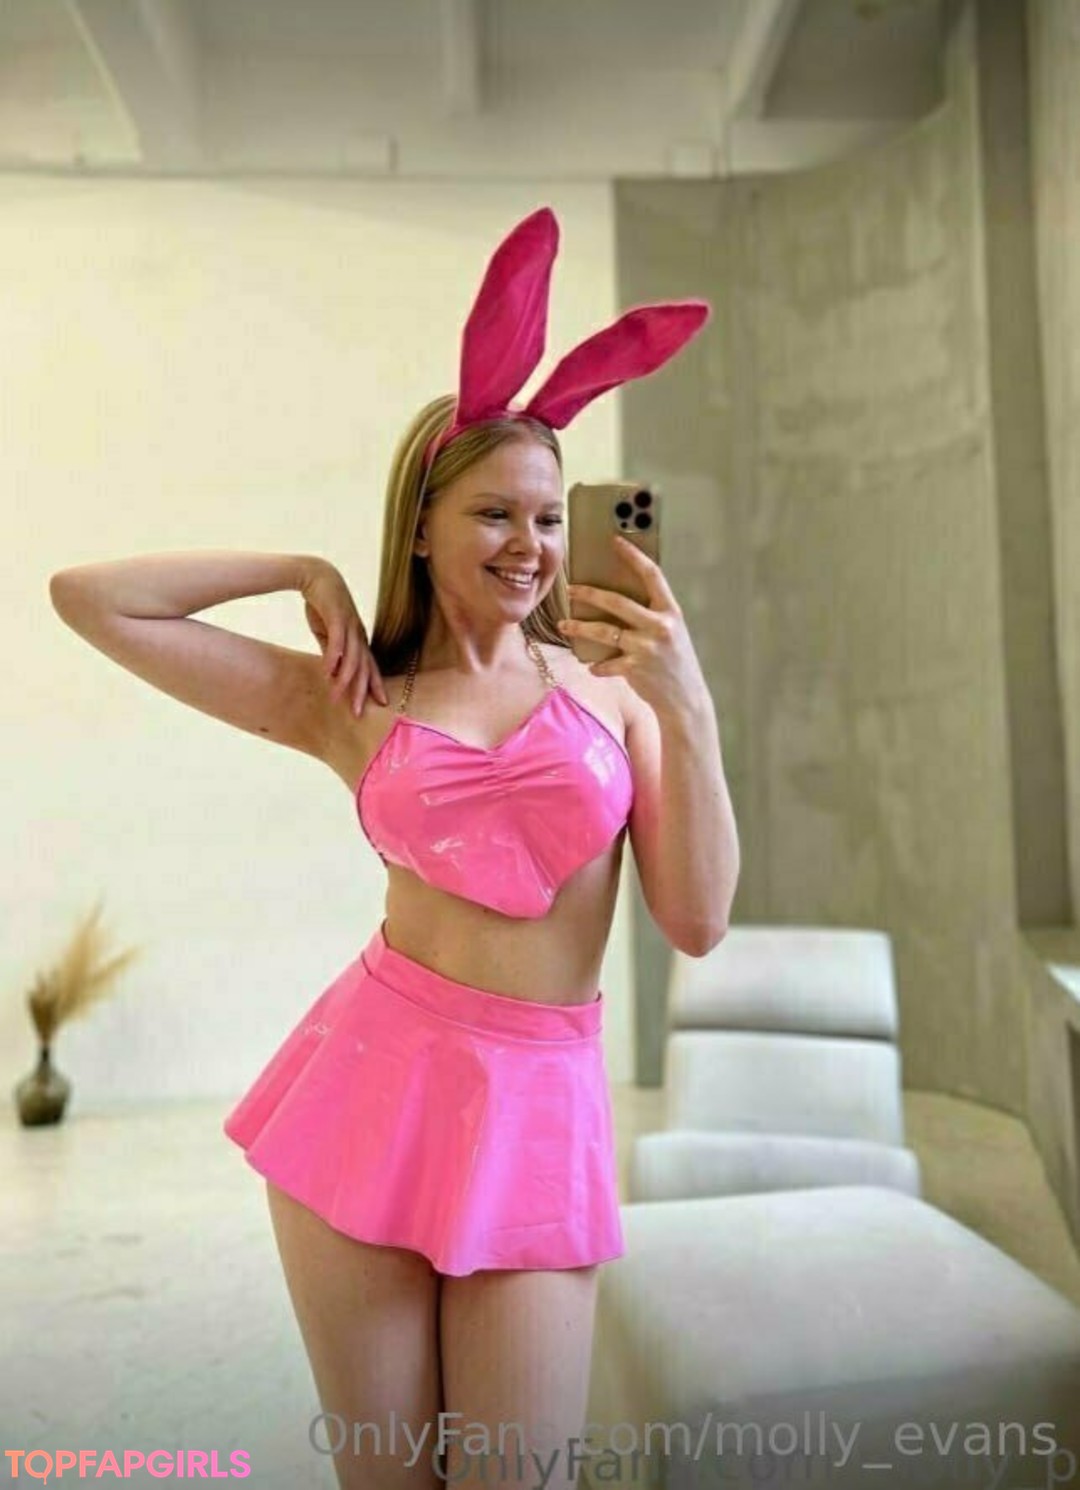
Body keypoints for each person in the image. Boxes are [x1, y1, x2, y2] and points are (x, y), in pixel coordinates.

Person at [49, 208, 739, 1489]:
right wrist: (298, 568)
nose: (531, 546)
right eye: (494, 513)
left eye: (550, 517)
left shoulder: (621, 691)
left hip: (542, 1104)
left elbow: (697, 919)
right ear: (420, 524)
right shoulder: (349, 695)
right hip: (369, 1088)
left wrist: (687, 698)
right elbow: (91, 598)